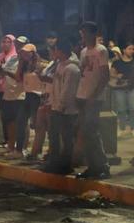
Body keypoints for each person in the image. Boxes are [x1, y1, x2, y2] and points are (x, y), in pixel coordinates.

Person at [75, 22, 110, 179]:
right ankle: (92, 165)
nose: (82, 35)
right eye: (81, 33)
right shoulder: (83, 52)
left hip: (93, 98)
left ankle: (102, 165)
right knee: (85, 132)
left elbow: (104, 76)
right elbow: (83, 73)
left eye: (85, 32)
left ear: (92, 33)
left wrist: (94, 95)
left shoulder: (101, 51)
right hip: (82, 95)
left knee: (93, 132)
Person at [42, 39, 81, 175]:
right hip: (56, 107)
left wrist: (60, 106)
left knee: (66, 138)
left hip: (66, 110)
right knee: (53, 137)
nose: (54, 52)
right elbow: (56, 86)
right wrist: (51, 103)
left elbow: (68, 90)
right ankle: (55, 163)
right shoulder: (60, 65)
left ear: (61, 51)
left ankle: (65, 165)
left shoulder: (72, 68)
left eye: (56, 50)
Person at [0, 37, 26, 157]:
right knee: (9, 122)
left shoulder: (26, 60)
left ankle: (21, 148)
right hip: (8, 93)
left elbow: (19, 77)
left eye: (21, 45)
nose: (19, 47)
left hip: (20, 94)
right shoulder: (13, 58)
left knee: (20, 123)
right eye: (17, 44)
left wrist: (6, 72)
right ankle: (10, 146)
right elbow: (5, 71)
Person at [16, 44, 44, 161]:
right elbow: (18, 78)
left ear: (33, 53)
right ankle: (20, 149)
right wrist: (21, 64)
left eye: (28, 52)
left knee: (37, 124)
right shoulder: (24, 65)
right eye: (23, 53)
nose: (25, 54)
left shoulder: (40, 64)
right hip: (27, 95)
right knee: (21, 121)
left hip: (37, 96)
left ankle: (36, 150)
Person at [0, 35, 17, 148]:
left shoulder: (15, 56)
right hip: (1, 88)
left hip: (12, 90)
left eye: (8, 42)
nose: (5, 44)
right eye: (3, 42)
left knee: (13, 117)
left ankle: (14, 141)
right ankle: (6, 140)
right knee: (4, 116)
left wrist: (3, 70)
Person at [110, 43, 134, 137]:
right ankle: (122, 128)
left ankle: (132, 128)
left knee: (133, 109)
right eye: (130, 49)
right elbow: (111, 74)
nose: (132, 51)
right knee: (121, 109)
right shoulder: (117, 62)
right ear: (124, 50)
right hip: (120, 88)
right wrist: (117, 76)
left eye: (133, 49)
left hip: (132, 88)